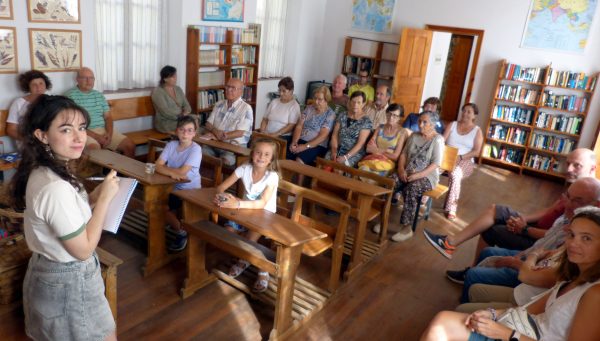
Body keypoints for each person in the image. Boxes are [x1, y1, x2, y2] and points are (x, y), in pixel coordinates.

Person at [10, 95, 119, 340]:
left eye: (81, 128)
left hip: (50, 273)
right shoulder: (54, 186)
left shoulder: (48, 168)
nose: (80, 137)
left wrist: (95, 196)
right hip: (69, 280)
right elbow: (83, 250)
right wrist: (103, 201)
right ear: (42, 135)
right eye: (66, 129)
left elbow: (69, 214)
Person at [421, 206, 600, 341]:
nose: (573, 244)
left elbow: (527, 276)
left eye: (586, 238)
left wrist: (507, 333)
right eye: (572, 235)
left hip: (518, 334)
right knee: (445, 320)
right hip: (521, 328)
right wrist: (492, 314)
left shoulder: (595, 293)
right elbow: (530, 309)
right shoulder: (573, 274)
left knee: (442, 323)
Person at [424, 148, 597, 260]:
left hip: (538, 240)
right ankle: (451, 244)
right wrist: (522, 218)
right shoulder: (576, 189)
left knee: (491, 230)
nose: (569, 169)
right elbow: (550, 210)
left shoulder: (588, 202)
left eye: (577, 166)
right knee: (495, 210)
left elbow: (555, 236)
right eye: (568, 163)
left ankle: (461, 257)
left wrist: (524, 228)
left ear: (592, 169)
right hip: (532, 227)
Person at [455, 177, 600, 304]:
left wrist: (518, 259)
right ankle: (468, 278)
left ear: (596, 205)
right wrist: (526, 249)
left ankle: (466, 295)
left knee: (476, 274)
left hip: (531, 275)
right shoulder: (568, 216)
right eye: (567, 197)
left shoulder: (577, 234)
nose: (568, 204)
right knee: (488, 250)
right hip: (531, 257)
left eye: (577, 201)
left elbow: (544, 274)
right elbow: (546, 246)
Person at [214, 138, 280, 293]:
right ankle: (245, 258)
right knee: (229, 232)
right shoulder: (244, 168)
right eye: (258, 152)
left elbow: (262, 203)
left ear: (271, 159)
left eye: (266, 154)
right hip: (245, 212)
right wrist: (222, 197)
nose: (261, 157)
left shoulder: (272, 176)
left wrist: (236, 203)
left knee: (249, 241)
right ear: (252, 154)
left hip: (265, 216)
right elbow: (221, 187)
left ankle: (262, 269)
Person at [392, 111, 444, 242]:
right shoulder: (414, 136)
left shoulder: (437, 140)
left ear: (432, 124)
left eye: (425, 122)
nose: (420, 124)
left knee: (411, 188)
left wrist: (418, 176)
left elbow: (436, 163)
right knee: (390, 182)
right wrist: (401, 169)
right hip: (408, 171)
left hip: (427, 176)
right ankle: (383, 218)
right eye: (420, 121)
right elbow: (403, 154)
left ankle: (406, 228)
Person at [65, 67, 136, 157]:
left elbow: (108, 117)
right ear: (77, 79)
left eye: (91, 78)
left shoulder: (99, 95)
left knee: (130, 146)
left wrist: (109, 134)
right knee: (95, 150)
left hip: (104, 130)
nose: (89, 81)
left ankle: (122, 171)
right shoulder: (69, 96)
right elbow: (74, 124)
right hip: (83, 132)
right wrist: (97, 137)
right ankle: (102, 171)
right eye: (85, 78)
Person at [155, 116, 202, 252]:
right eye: (182, 130)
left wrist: (167, 170)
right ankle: (174, 223)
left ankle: (182, 233)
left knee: (160, 208)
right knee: (155, 204)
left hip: (189, 190)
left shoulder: (195, 149)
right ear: (177, 131)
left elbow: (182, 173)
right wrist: (172, 173)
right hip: (171, 186)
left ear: (194, 133)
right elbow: (157, 165)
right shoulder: (171, 145)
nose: (185, 133)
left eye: (189, 130)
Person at [443, 103, 484, 220]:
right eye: (464, 111)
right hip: (447, 156)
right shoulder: (452, 124)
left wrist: (460, 157)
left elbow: (476, 152)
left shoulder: (477, 131)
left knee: (455, 175)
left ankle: (452, 207)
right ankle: (424, 199)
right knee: (432, 168)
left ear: (474, 116)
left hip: (465, 160)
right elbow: (442, 141)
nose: (465, 114)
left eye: (469, 112)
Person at [200, 78, 253, 167]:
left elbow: (240, 133)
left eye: (233, 88)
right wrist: (216, 132)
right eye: (227, 87)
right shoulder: (219, 104)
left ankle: (221, 179)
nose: (228, 90)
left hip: (233, 147)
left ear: (240, 91)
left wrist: (223, 136)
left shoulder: (246, 108)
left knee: (224, 162)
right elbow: (208, 124)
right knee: (199, 153)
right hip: (215, 142)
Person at [358, 103, 410, 178]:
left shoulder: (402, 132)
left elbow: (395, 157)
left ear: (400, 118)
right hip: (372, 159)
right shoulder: (380, 127)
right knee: (362, 171)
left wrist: (376, 150)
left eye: (395, 116)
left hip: (387, 163)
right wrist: (386, 151)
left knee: (373, 178)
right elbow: (368, 148)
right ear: (386, 113)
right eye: (389, 114)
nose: (391, 117)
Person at [288, 86, 336, 166]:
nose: (316, 101)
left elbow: (323, 136)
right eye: (315, 98)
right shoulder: (309, 108)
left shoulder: (330, 114)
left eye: (320, 99)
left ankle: (299, 179)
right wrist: (294, 142)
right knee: (285, 152)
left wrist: (305, 146)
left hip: (317, 145)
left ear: (326, 100)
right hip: (301, 139)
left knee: (300, 159)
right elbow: (299, 126)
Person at [326, 91, 373, 167]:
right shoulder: (342, 115)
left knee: (339, 169)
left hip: (353, 154)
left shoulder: (366, 121)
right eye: (353, 101)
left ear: (363, 104)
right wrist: (334, 151)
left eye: (359, 102)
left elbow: (360, 144)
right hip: (338, 148)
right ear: (350, 102)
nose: (355, 105)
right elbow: (334, 135)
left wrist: (345, 157)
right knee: (325, 164)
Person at [6, 70, 52, 141]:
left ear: (46, 85)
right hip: (27, 143)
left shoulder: (53, 101)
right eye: (34, 84)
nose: (38, 87)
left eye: (41, 83)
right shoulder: (18, 103)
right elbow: (11, 129)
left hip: (49, 141)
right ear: (28, 87)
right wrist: (28, 140)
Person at [258, 76, 301, 143]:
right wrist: (262, 132)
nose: (281, 93)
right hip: (267, 134)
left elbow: (290, 126)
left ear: (291, 91)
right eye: (279, 90)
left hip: (283, 136)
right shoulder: (274, 101)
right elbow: (265, 119)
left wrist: (274, 135)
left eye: (284, 91)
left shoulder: (294, 105)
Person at [151, 65, 192, 133]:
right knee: (189, 125)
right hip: (166, 122)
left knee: (196, 119)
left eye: (176, 76)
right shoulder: (158, 92)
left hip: (181, 118)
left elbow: (187, 105)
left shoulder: (178, 89)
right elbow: (165, 112)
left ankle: (192, 142)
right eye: (173, 77)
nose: (175, 78)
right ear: (165, 79)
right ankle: (186, 142)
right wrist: (180, 116)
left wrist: (185, 113)